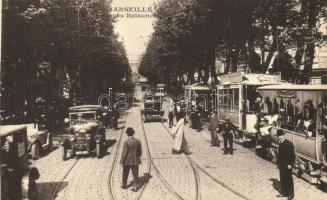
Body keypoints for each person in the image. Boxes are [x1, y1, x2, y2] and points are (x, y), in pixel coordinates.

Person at [120, 127, 142, 192]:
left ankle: (124, 184)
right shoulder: (138, 141)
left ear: (127, 134)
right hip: (135, 160)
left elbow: (124, 153)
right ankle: (135, 186)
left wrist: (122, 161)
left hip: (127, 161)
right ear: (133, 133)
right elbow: (140, 152)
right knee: (135, 174)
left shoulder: (126, 142)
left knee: (125, 173)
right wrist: (137, 157)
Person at [276, 129, 295, 200]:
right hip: (282, 164)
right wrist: (278, 163)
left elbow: (292, 155)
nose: (280, 138)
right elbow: (279, 154)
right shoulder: (280, 143)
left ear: (284, 136)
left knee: (289, 179)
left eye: (281, 136)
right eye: (279, 137)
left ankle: (290, 195)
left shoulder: (288, 144)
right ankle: (284, 193)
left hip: (287, 165)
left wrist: (290, 164)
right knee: (282, 178)